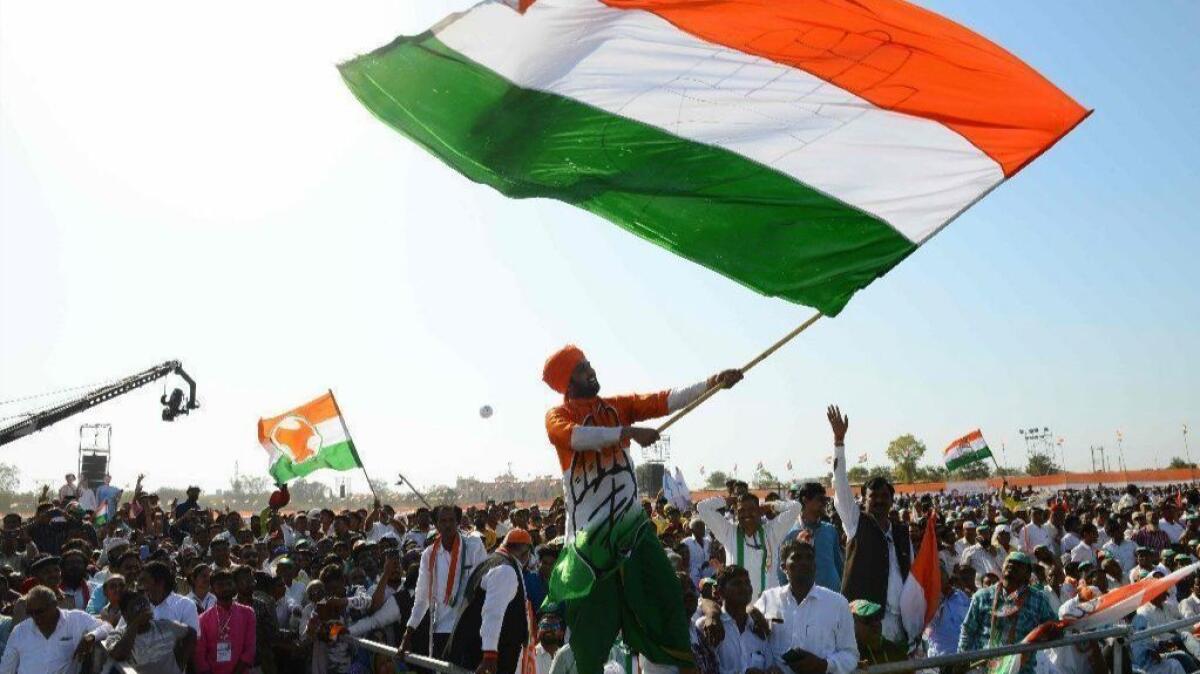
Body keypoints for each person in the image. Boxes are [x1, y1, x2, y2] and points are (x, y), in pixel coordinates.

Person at [541, 344, 741, 674]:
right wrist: (627, 432)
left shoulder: (616, 407)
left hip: (636, 532)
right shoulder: (558, 417)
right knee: (590, 638)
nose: (591, 370)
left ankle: (683, 665)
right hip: (590, 550)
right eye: (582, 368)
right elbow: (575, 437)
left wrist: (712, 383)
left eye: (590, 364)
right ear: (567, 382)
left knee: (667, 600)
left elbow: (663, 400)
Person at [829, 405, 912, 646]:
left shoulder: (901, 532)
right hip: (865, 626)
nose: (878, 502)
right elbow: (841, 484)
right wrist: (839, 442)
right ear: (863, 501)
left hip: (901, 626)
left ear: (891, 500)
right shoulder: (856, 523)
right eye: (872, 498)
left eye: (884, 497)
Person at [753, 540, 858, 674]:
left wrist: (824, 665)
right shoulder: (768, 599)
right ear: (784, 567)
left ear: (815, 565)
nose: (804, 562)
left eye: (809, 558)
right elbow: (751, 640)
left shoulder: (837, 603)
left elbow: (850, 654)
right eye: (796, 557)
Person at [401, 504, 487, 664]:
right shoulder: (429, 555)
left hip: (471, 627)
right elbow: (421, 599)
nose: (448, 525)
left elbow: (485, 586)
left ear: (458, 522)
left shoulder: (473, 546)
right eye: (443, 521)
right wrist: (408, 632)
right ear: (436, 524)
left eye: (451, 520)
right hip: (443, 631)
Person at [444, 528, 536, 674]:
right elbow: (493, 613)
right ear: (525, 553)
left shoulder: (489, 562)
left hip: (471, 653)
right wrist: (489, 655)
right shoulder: (505, 570)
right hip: (482, 660)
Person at [959, 551, 1059, 674]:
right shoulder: (982, 596)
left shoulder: (1038, 599)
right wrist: (961, 660)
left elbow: (1055, 628)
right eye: (1008, 562)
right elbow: (968, 630)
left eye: (1018, 564)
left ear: (1027, 574)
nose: (1011, 565)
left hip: (1022, 669)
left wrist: (1040, 636)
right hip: (987, 669)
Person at [697, 491, 799, 601]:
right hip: (736, 607)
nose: (747, 514)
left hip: (768, 606)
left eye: (751, 509)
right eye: (741, 510)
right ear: (736, 513)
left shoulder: (771, 532)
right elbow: (702, 507)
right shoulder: (728, 532)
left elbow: (796, 507)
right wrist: (727, 500)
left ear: (760, 511)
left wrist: (771, 505)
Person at [0, 585, 111, 674]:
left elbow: (107, 627)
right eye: (30, 612)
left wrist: (91, 636)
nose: (35, 616)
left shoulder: (76, 619)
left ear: (54, 604)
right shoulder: (20, 631)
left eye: (39, 611)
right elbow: (6, 669)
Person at [695, 565, 770, 674]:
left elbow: (769, 665)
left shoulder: (758, 628)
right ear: (721, 592)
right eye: (737, 583)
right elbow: (706, 669)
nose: (744, 587)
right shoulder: (708, 626)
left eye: (747, 583)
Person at [104, 589, 197, 674]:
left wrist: (180, 663)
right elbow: (118, 654)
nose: (143, 608)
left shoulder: (165, 625)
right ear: (124, 614)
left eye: (145, 603)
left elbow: (191, 633)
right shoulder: (117, 634)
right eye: (137, 606)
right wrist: (136, 623)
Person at [778, 482, 842, 591]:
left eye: (825, 500)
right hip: (803, 598)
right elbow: (782, 573)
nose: (824, 503)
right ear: (805, 500)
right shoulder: (789, 533)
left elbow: (839, 565)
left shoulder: (830, 530)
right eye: (820, 499)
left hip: (832, 597)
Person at [195, 568, 255, 674]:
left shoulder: (248, 613)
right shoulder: (203, 619)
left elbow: (249, 650)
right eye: (220, 585)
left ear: (235, 586)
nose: (226, 588)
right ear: (212, 589)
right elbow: (200, 655)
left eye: (229, 584)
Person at [921, 567, 969, 658]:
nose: (940, 579)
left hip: (964, 655)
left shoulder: (960, 595)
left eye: (942, 575)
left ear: (947, 577)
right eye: (936, 576)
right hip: (940, 658)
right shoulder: (927, 601)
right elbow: (925, 633)